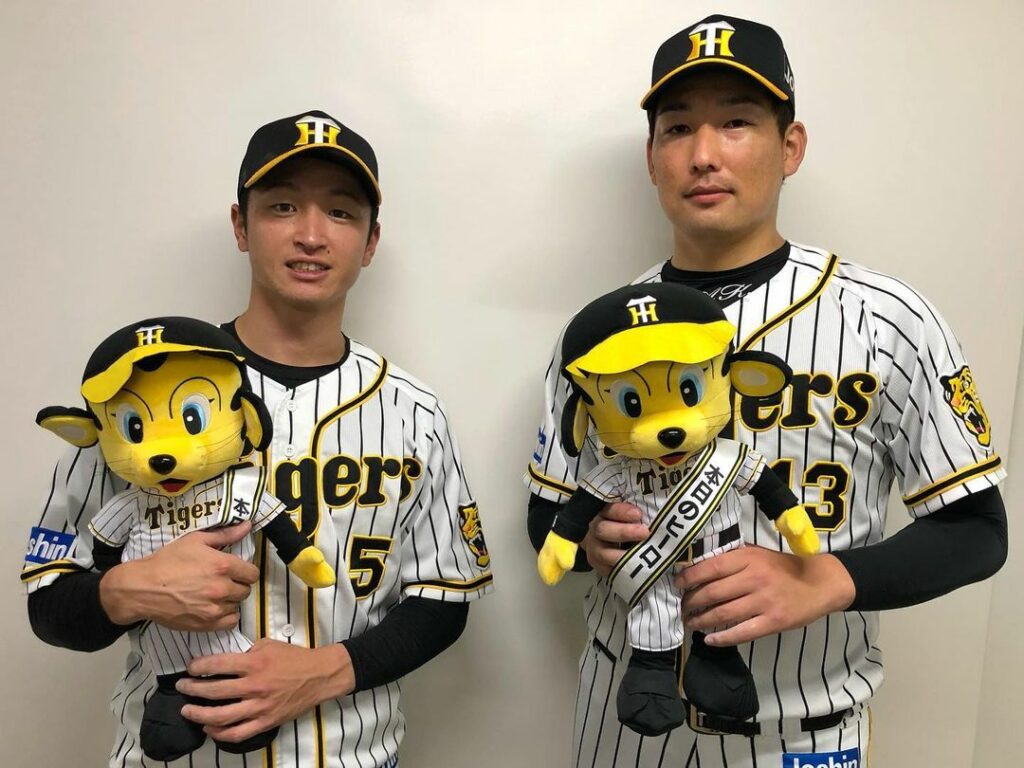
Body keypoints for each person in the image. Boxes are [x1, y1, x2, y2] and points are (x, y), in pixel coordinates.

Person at [524, 15, 1007, 767]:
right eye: (677, 128)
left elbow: (977, 531)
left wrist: (830, 578)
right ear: (652, 159)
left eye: (737, 122)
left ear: (791, 147)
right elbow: (544, 516)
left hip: (802, 727)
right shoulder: (596, 334)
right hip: (623, 720)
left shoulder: (888, 319)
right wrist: (585, 540)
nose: (704, 154)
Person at [22, 109, 493, 768]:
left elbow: (444, 599)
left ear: (370, 241)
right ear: (240, 226)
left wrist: (324, 672)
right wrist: (126, 589)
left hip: (352, 753)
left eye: (340, 212)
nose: (311, 235)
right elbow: (48, 600)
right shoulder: (140, 390)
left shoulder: (415, 412)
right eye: (282, 206)